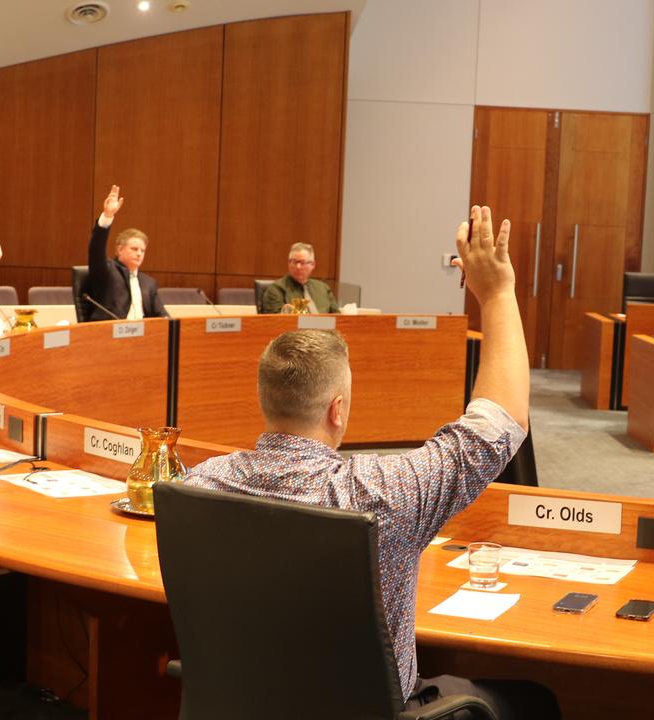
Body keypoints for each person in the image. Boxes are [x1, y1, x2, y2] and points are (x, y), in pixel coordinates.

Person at [186, 207, 558, 718]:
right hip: (373, 710)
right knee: (536, 701)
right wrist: (496, 294)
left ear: (265, 400)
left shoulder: (200, 485)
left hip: (246, 704)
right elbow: (500, 424)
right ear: (337, 409)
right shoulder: (383, 492)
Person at [81, 185, 167, 322]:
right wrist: (107, 216)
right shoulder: (107, 271)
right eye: (134, 249)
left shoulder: (148, 283)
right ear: (120, 249)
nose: (139, 254)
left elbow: (163, 316)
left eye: (142, 250)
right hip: (111, 336)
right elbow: (96, 249)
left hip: (143, 338)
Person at [259, 242, 340, 314]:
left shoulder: (323, 288)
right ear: (288, 263)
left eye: (302, 262)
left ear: (313, 264)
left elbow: (338, 318)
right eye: (294, 262)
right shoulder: (276, 289)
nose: (298, 267)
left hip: (325, 330)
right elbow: (273, 323)